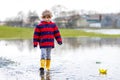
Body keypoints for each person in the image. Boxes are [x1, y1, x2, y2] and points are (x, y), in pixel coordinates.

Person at [33, 10, 62, 75]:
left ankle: (48, 67)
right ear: (42, 18)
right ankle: (42, 67)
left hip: (50, 44)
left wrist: (59, 40)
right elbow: (36, 35)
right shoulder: (39, 26)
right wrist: (35, 43)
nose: (47, 19)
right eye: (45, 17)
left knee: (48, 55)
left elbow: (57, 34)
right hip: (43, 43)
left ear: (50, 17)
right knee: (43, 54)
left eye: (48, 17)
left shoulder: (53, 25)